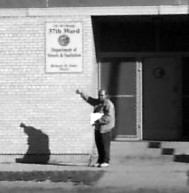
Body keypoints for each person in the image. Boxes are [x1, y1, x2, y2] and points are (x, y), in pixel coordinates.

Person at [76, 89, 115, 167]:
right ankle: (100, 161)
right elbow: (89, 99)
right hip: (98, 128)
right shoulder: (98, 102)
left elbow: (109, 117)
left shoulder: (108, 104)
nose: (100, 97)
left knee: (105, 146)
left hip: (105, 128)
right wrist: (81, 93)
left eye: (102, 95)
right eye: (99, 95)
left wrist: (97, 120)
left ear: (106, 95)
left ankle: (105, 161)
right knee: (99, 145)